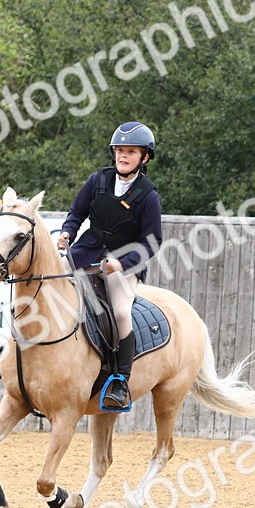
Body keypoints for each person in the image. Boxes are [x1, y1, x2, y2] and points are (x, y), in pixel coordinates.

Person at [57, 121, 163, 411]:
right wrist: (67, 232)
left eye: (130, 151)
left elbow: (152, 242)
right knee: (47, 285)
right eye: (119, 150)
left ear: (145, 158)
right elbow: (77, 212)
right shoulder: (98, 180)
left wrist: (122, 264)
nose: (123, 156)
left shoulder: (148, 195)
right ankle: (14, 347)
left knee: (119, 312)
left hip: (123, 264)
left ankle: (119, 380)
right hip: (86, 251)